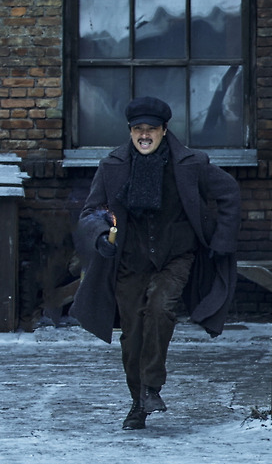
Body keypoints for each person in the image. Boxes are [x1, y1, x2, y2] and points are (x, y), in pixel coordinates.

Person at [70, 96, 242, 430]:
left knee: (161, 309)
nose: (144, 135)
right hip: (130, 260)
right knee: (132, 332)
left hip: (176, 256)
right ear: (130, 132)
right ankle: (138, 403)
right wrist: (101, 236)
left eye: (151, 129)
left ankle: (151, 387)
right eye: (138, 129)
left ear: (164, 130)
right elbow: (91, 211)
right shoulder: (112, 166)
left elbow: (229, 192)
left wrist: (222, 240)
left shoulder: (190, 164)